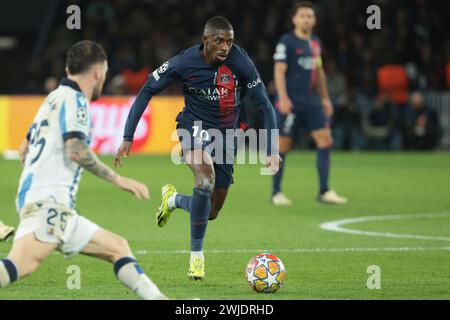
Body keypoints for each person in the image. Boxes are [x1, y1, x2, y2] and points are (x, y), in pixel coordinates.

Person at [115, 16, 281, 281]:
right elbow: (147, 89)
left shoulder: (241, 62)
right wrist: (128, 135)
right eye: (219, 41)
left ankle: (173, 200)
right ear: (205, 40)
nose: (225, 47)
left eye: (229, 41)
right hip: (194, 127)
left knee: (211, 211)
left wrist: (272, 148)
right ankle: (196, 258)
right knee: (204, 181)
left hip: (227, 136)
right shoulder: (184, 62)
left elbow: (265, 105)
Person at [0, 41, 167, 300]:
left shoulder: (53, 98)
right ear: (99, 72)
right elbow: (75, 150)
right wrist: (117, 179)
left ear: (68, 69)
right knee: (17, 268)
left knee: (117, 247)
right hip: (50, 205)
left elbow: (23, 150)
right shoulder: (76, 101)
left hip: (53, 205)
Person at [271, 1, 347, 205]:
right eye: (302, 15)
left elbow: (319, 72)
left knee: (325, 140)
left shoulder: (315, 43)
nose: (306, 19)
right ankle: (276, 193)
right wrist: (283, 98)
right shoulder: (286, 42)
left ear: (314, 20)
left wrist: (325, 99)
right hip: (291, 101)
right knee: (282, 146)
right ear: (294, 19)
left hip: (311, 101)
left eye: (309, 16)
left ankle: (324, 190)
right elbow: (279, 71)